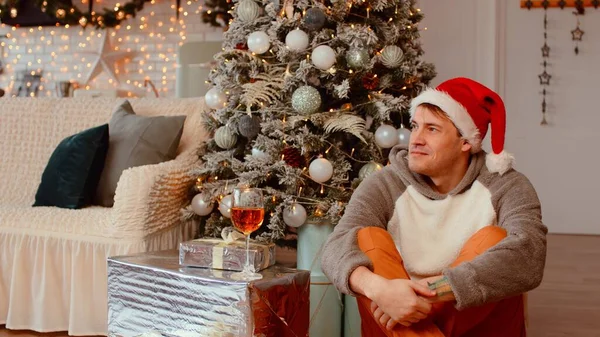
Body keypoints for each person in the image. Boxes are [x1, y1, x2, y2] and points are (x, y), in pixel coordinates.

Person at [321, 77, 547, 337]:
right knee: (366, 238)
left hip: (475, 324)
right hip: (397, 314)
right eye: (415, 126)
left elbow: (529, 255)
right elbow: (335, 246)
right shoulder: (385, 183)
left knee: (495, 239)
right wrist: (379, 289)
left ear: (466, 142)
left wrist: (437, 289)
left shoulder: (507, 185)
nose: (415, 139)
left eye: (432, 129)